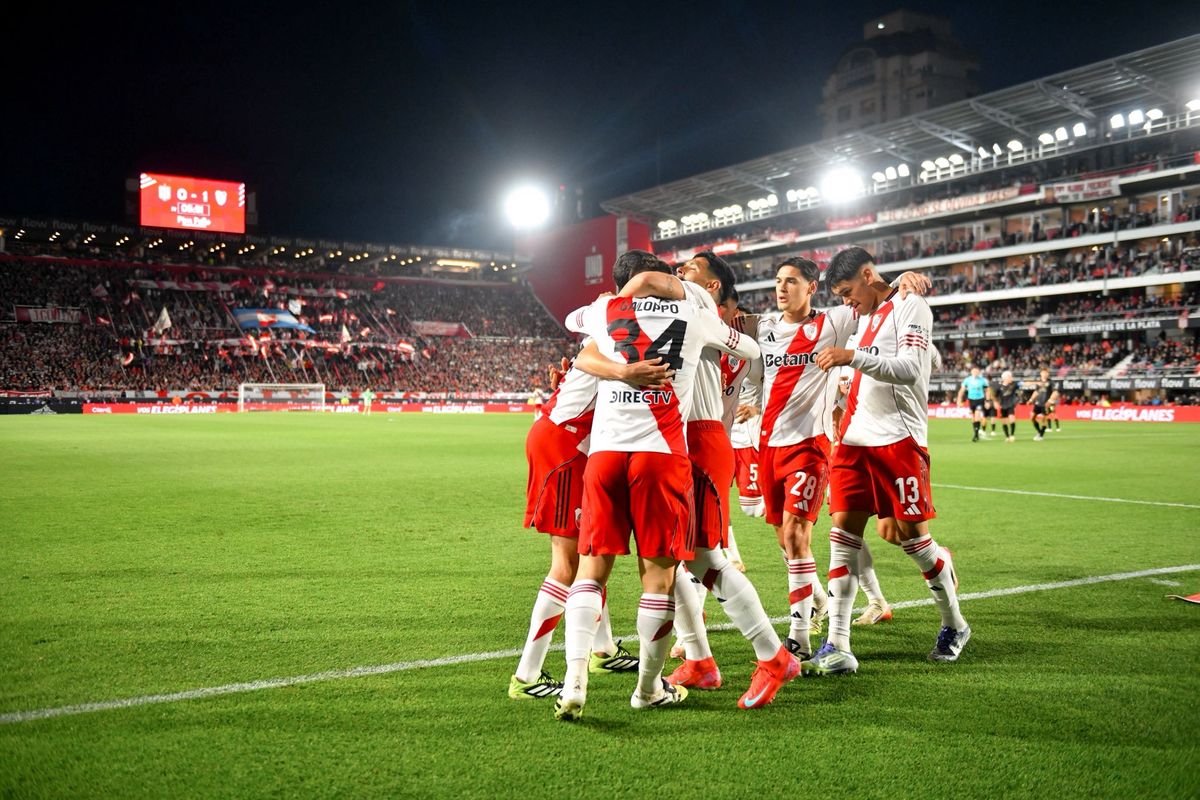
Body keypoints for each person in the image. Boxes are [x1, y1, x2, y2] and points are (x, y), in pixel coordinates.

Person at [573, 253, 797, 710]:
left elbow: (750, 347)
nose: (681, 274)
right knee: (677, 560)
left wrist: (620, 299)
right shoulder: (697, 313)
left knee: (701, 557)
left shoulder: (695, 303)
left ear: (711, 286)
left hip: (694, 439)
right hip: (675, 440)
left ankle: (770, 655)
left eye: (690, 270)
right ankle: (699, 658)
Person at [745, 258, 930, 659]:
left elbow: (874, 296)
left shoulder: (834, 320)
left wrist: (901, 280)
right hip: (768, 447)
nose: (781, 288)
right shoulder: (762, 327)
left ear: (811, 288)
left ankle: (802, 632)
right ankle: (824, 605)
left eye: (791, 281)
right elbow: (721, 313)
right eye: (777, 281)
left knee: (801, 535)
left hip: (811, 446)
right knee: (787, 540)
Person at [809, 246, 970, 673]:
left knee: (913, 541)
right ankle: (838, 645)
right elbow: (863, 371)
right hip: (854, 442)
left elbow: (910, 370)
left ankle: (955, 624)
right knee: (843, 538)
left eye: (848, 291)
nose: (846, 301)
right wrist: (846, 381)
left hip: (899, 441)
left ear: (867, 274)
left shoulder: (910, 304)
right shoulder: (861, 318)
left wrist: (852, 357)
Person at [956, 366, 990, 442]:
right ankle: (976, 433)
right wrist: (959, 400)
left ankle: (976, 435)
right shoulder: (967, 380)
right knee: (973, 417)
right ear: (971, 372)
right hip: (971, 400)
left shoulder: (983, 380)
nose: (975, 373)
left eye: (976, 371)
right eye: (974, 371)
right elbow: (961, 391)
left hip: (980, 399)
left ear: (979, 372)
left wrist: (987, 401)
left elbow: (987, 390)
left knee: (977, 414)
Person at [1028, 368, 1059, 441]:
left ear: (1048, 374)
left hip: (1046, 404)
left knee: (1044, 419)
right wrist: (1031, 399)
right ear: (1041, 373)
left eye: (1046, 372)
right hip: (1038, 403)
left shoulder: (1051, 382)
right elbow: (1036, 392)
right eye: (1043, 372)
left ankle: (1041, 435)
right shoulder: (1039, 382)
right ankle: (1039, 432)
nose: (1045, 374)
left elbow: (1056, 392)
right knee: (1032, 417)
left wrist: (1050, 401)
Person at [996, 370, 1021, 442]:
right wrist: (997, 403)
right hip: (1003, 406)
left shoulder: (1014, 385)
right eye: (1010, 376)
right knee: (1004, 422)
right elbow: (996, 396)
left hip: (1010, 405)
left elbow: (1024, 383)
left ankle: (1012, 435)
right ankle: (1007, 436)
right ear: (1005, 378)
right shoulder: (999, 387)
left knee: (1012, 419)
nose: (1011, 378)